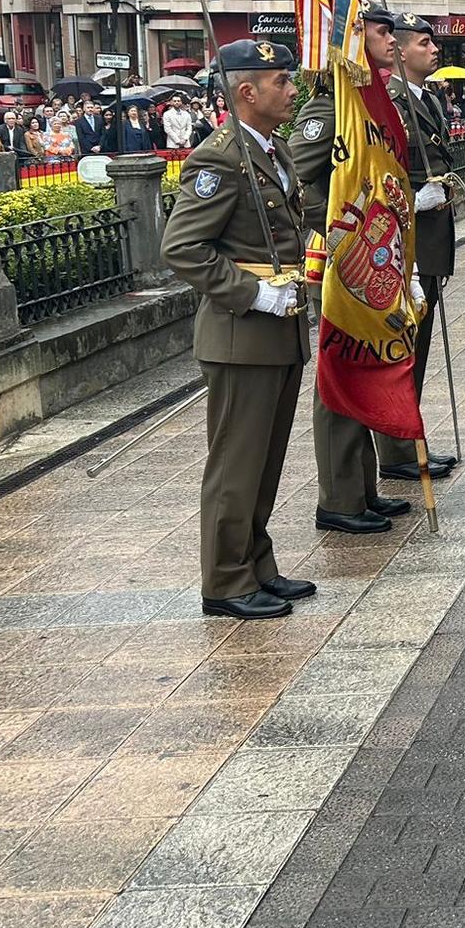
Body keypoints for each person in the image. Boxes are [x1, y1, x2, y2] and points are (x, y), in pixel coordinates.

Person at [159, 37, 315, 620]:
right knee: (236, 463)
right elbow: (182, 249)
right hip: (241, 333)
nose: (292, 90)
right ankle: (225, 581)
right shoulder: (220, 158)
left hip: (280, 328)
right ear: (247, 92)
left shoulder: (274, 151)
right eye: (282, 82)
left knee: (267, 460)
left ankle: (256, 562)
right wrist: (255, 294)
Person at [288, 5, 415, 535]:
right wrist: (342, 224)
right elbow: (292, 178)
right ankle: (338, 498)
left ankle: (362, 489)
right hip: (341, 262)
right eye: (383, 31)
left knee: (367, 367)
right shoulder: (329, 109)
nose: (393, 39)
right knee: (341, 369)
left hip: (374, 263)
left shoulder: (370, 107)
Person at [374, 13, 460, 482]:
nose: (434, 50)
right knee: (404, 348)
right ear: (401, 51)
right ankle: (399, 449)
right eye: (424, 43)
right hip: (406, 239)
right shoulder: (391, 100)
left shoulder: (425, 98)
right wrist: (413, 199)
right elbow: (381, 175)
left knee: (419, 348)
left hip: (430, 237)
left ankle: (410, 443)